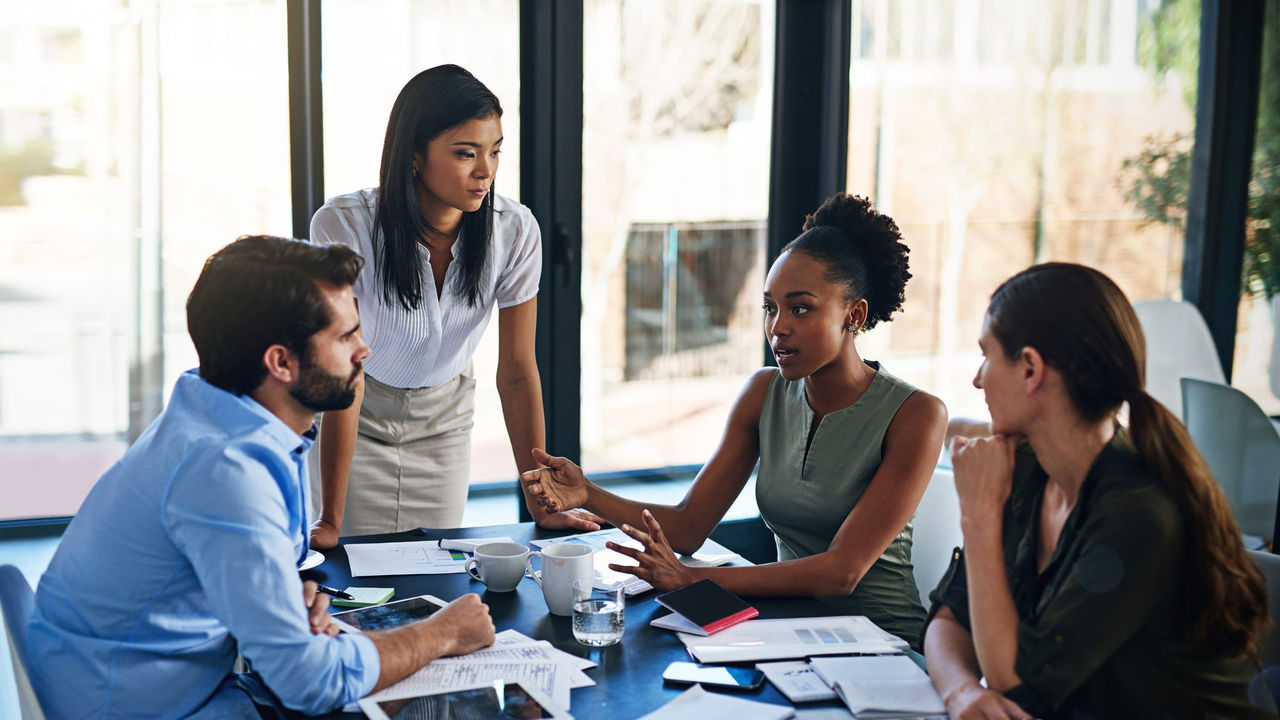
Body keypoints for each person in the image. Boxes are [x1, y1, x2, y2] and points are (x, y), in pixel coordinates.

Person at [26, 236, 495, 719]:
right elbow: (310, 683)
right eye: (345, 336)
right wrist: (443, 633)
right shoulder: (227, 469)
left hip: (147, 678)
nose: (363, 350)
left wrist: (282, 603)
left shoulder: (218, 411)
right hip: (141, 705)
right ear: (281, 362)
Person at [522, 193, 948, 648]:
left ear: (854, 315)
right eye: (770, 307)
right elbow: (688, 526)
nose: (778, 327)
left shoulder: (917, 414)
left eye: (800, 308)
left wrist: (693, 581)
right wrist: (588, 493)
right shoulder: (764, 393)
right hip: (790, 635)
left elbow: (840, 573)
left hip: (885, 648)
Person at [924, 262, 1274, 719]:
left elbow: (1021, 682)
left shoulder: (1139, 512)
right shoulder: (1025, 466)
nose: (978, 378)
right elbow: (949, 619)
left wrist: (978, 515)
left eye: (987, 355)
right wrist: (962, 693)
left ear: (1030, 369)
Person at [308, 64, 596, 547]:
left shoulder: (515, 231)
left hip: (443, 422)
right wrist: (329, 518)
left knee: (433, 576)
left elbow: (518, 372)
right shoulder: (345, 226)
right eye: (466, 153)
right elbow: (345, 372)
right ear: (415, 156)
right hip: (356, 414)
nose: (485, 171)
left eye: (495, 152)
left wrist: (540, 500)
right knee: (356, 581)